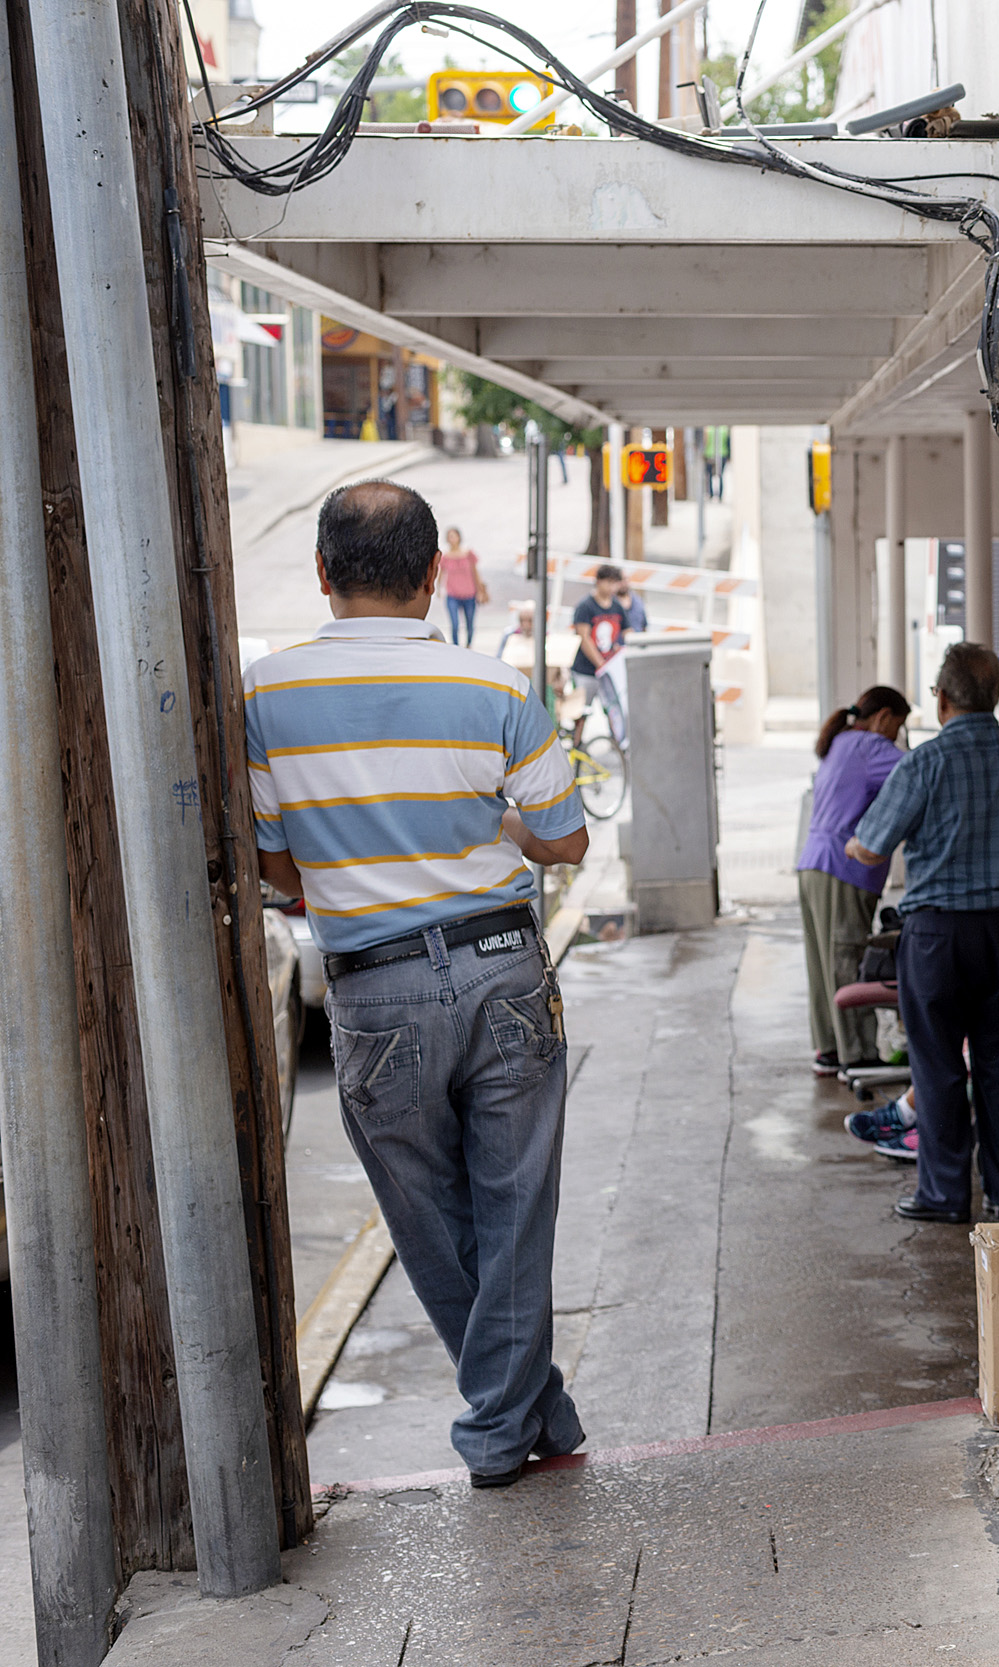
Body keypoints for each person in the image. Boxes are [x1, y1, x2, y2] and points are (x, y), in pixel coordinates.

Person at [245, 480, 589, 1489]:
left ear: (323, 574)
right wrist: (506, 830)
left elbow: (275, 863)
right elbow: (564, 836)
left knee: (426, 1217)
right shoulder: (493, 688)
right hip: (501, 969)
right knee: (516, 1206)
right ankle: (526, 1411)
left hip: (373, 984)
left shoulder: (266, 694)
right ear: (436, 575)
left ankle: (501, 1422)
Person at [847, 643, 999, 1225]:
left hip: (938, 938)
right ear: (995, 695)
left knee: (938, 1066)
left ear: (942, 699)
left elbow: (870, 845)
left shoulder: (923, 763)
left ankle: (945, 1195)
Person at [799, 685, 912, 1079]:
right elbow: (921, 772)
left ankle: (830, 1049)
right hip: (843, 868)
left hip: (812, 863)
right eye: (896, 727)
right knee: (846, 958)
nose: (895, 737)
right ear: (882, 718)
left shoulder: (841, 742)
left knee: (822, 962)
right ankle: (859, 1054)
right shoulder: (870, 746)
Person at [571, 563, 631, 745]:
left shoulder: (617, 606)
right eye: (608, 583)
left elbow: (627, 631)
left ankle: (618, 745)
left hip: (609, 670)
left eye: (615, 583)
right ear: (598, 582)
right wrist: (600, 663)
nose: (611, 588)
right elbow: (584, 637)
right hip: (586, 670)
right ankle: (576, 746)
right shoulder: (585, 606)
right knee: (581, 712)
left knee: (613, 709)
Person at [438, 525, 489, 647]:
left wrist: (480, 590)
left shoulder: (468, 554)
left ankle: (468, 645)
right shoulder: (445, 557)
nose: (452, 539)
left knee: (469, 624)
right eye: (450, 536)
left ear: (459, 537)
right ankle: (456, 647)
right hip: (452, 594)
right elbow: (442, 573)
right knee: (454, 624)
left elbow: (475, 572)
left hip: (469, 594)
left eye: (454, 536)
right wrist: (439, 588)